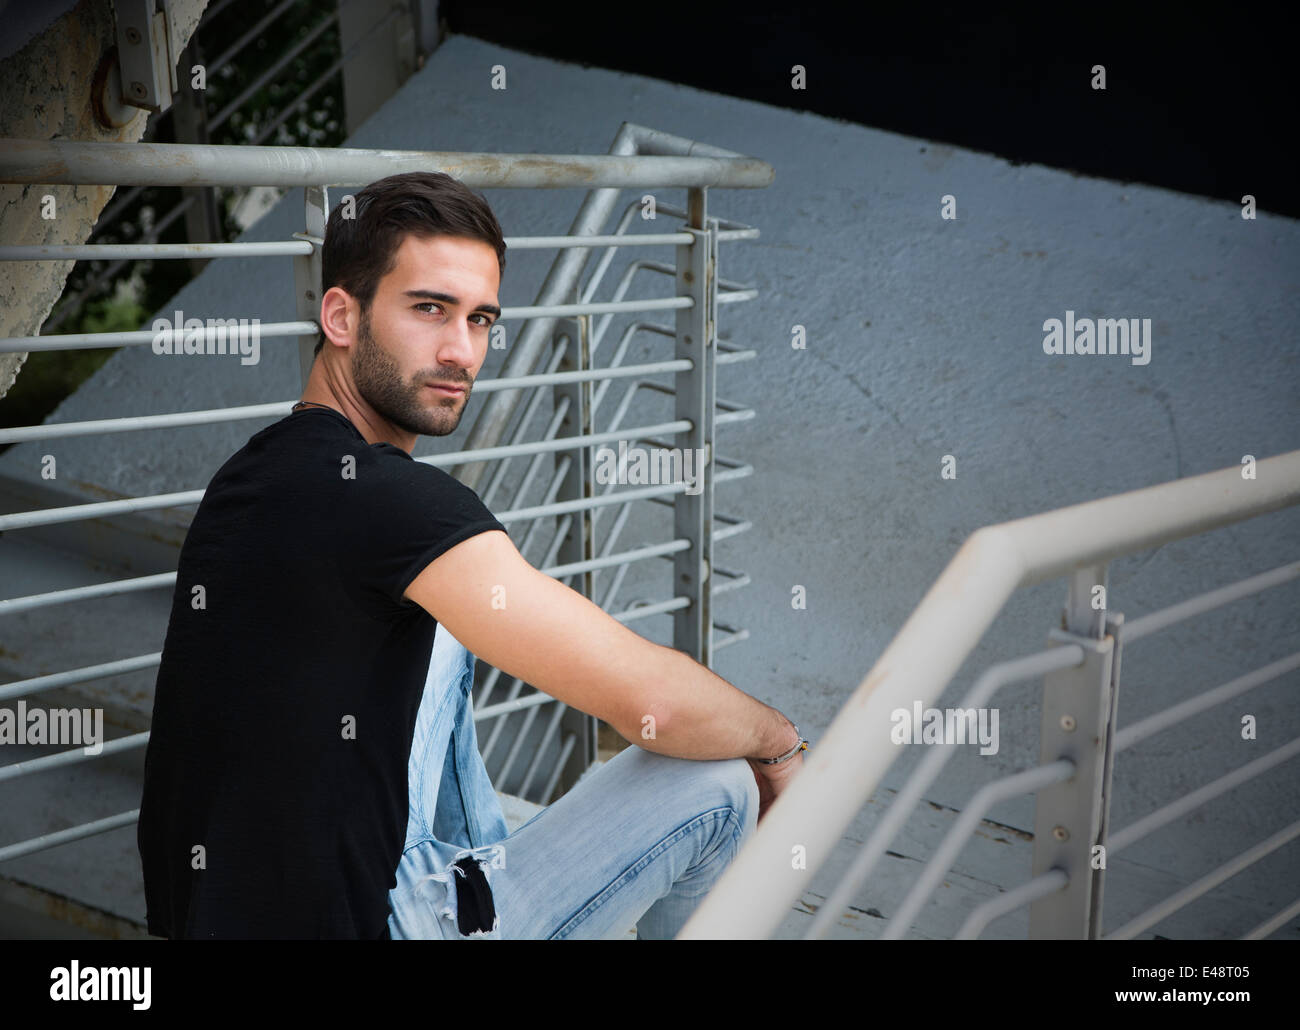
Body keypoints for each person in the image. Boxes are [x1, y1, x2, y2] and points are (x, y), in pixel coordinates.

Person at [136, 171, 806, 940]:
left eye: (481, 319)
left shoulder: (255, 477)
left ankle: (474, 887)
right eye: (429, 309)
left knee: (445, 617)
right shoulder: (393, 504)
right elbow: (653, 703)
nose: (462, 351)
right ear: (341, 315)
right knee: (722, 781)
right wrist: (782, 745)